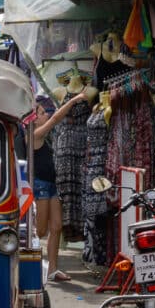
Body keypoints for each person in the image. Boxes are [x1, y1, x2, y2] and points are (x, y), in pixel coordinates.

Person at [33, 92, 89, 282]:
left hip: (52, 184)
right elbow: (57, 117)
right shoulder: (34, 135)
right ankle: (33, 267)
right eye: (41, 113)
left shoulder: (45, 136)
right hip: (40, 185)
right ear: (33, 119)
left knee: (56, 226)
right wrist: (73, 101)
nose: (45, 115)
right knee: (39, 231)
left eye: (43, 112)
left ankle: (53, 269)